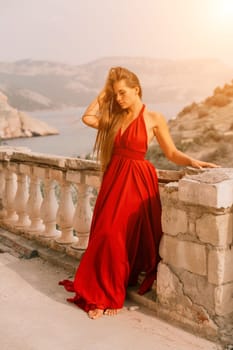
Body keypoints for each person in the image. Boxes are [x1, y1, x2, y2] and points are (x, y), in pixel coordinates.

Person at [59, 66, 218, 320]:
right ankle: (102, 292)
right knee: (105, 233)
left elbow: (171, 153)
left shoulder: (154, 118)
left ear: (137, 89)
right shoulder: (116, 118)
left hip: (138, 181)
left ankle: (111, 294)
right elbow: (87, 118)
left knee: (119, 236)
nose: (119, 98)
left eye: (122, 93)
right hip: (115, 179)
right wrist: (104, 94)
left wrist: (194, 162)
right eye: (116, 95)